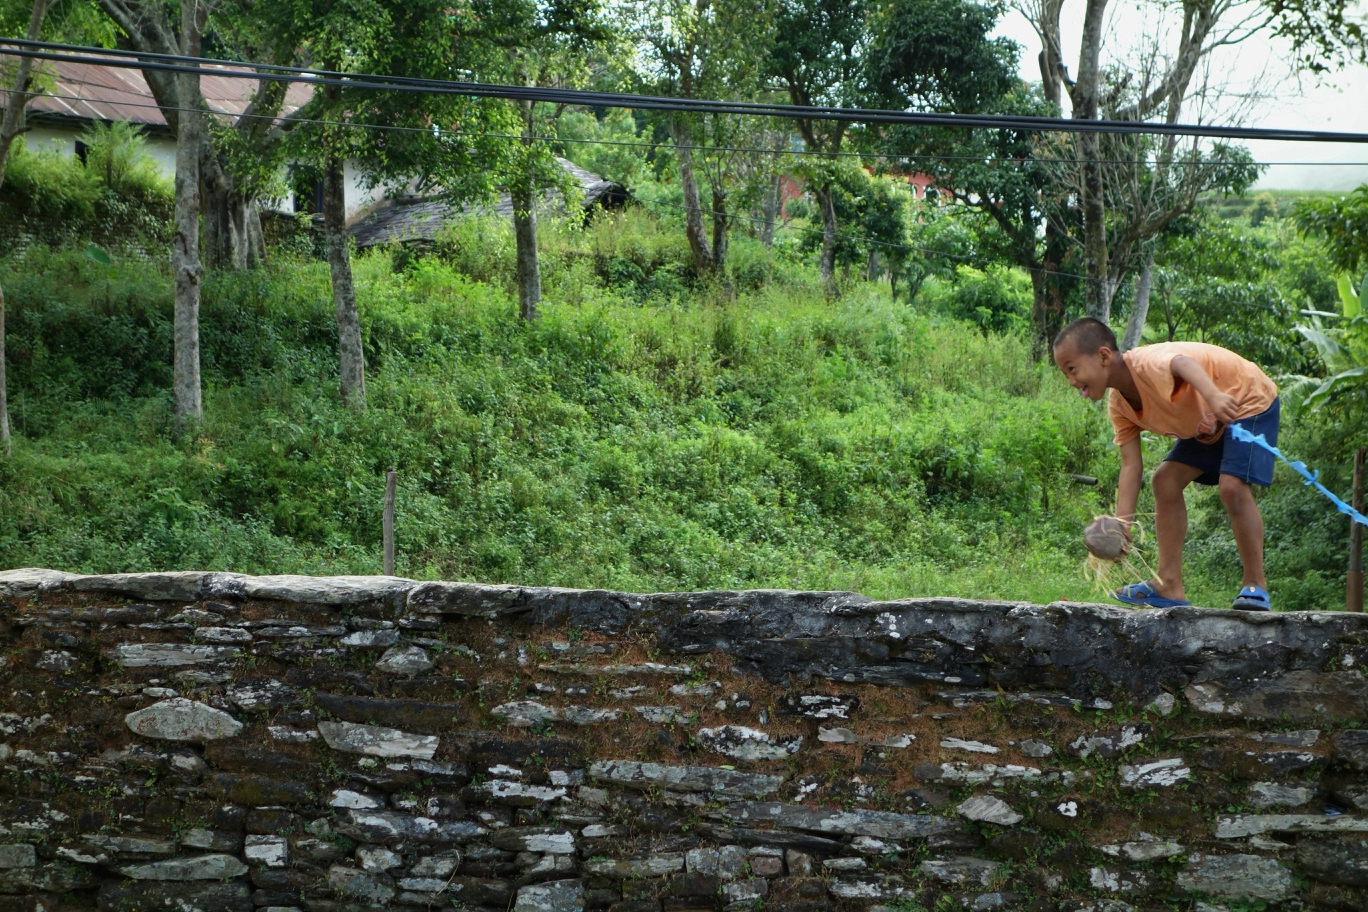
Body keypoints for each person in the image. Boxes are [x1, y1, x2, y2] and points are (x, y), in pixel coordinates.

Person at [1052, 318, 1280, 610]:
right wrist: (1120, 525)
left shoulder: (1147, 363)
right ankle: (1168, 584)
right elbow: (1130, 466)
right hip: (1206, 421)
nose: (1071, 381)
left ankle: (1255, 585)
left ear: (1103, 356)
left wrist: (1214, 396)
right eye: (1065, 374)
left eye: (1072, 369)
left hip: (1245, 398)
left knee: (1232, 487)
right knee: (1165, 480)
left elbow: (1183, 362)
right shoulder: (1119, 405)